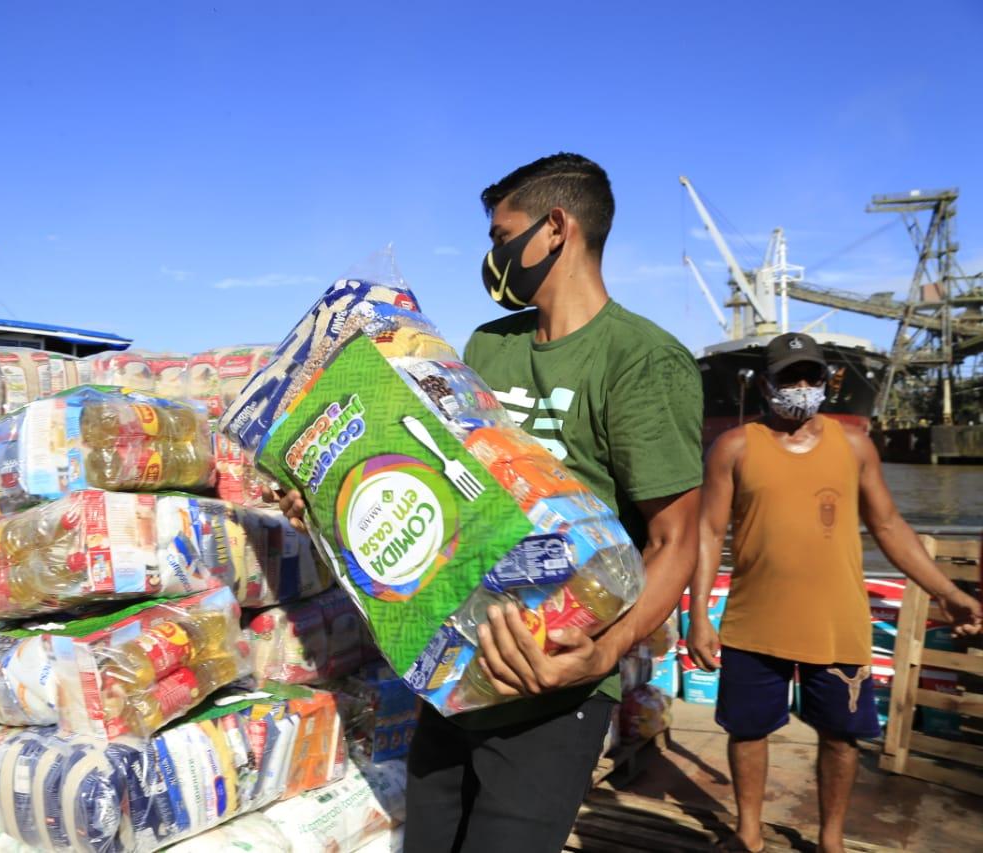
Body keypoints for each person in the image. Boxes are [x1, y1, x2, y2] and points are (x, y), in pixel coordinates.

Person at [278, 153, 703, 850]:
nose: (494, 255)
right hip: (457, 674)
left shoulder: (639, 359)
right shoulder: (487, 344)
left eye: (502, 236)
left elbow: (676, 539)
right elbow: (438, 479)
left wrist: (606, 656)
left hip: (553, 687)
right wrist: (328, 501)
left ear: (556, 228)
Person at [688, 332, 983, 853]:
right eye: (789, 377)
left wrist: (945, 590)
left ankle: (831, 841)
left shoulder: (854, 446)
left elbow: (889, 526)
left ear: (827, 382)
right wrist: (700, 616)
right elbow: (710, 533)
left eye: (811, 377)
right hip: (754, 621)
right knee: (748, 731)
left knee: (842, 736)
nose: (801, 387)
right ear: (766, 383)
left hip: (838, 622)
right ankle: (749, 834)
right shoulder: (733, 447)